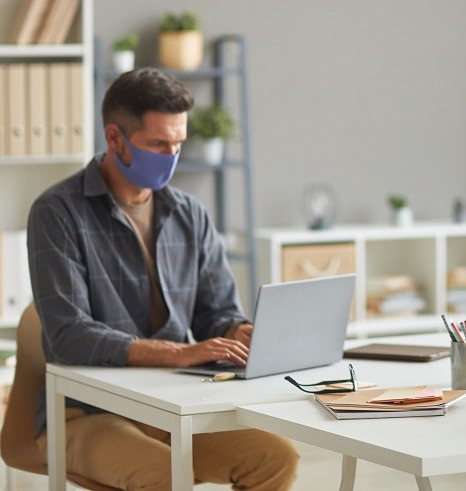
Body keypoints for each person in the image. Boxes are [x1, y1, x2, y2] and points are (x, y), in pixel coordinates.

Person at [27, 68, 298, 490]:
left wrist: (242, 333)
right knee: (165, 475)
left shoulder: (189, 214)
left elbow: (217, 312)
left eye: (178, 143)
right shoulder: (57, 213)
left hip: (171, 405)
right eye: (158, 144)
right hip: (84, 414)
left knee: (275, 458)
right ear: (115, 138)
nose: (172, 155)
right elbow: (69, 335)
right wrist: (179, 353)